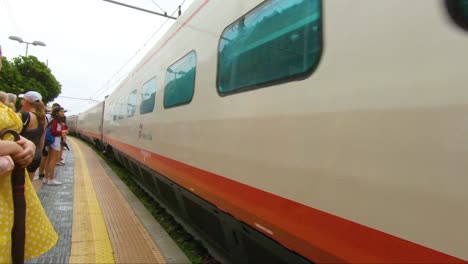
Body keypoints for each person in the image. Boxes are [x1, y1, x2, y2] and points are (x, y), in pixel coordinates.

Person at [0, 46, 58, 262]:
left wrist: (25, 145)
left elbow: (14, 136)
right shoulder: (41, 117)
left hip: (13, 181)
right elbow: (34, 138)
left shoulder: (23, 115)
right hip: (18, 170)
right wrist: (23, 147)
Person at [17, 91, 47, 181]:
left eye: (23, 100)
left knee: (17, 186)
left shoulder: (23, 116)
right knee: (28, 185)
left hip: (21, 155)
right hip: (35, 155)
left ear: (26, 101)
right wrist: (38, 154)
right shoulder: (44, 119)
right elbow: (42, 141)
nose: (21, 102)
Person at [44, 106, 67, 185]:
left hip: (52, 141)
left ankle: (46, 177)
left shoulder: (53, 120)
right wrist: (61, 133)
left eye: (63, 111)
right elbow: (53, 132)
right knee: (52, 161)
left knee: (49, 160)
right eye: (61, 111)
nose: (63, 113)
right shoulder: (55, 121)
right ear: (57, 113)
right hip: (54, 142)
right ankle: (51, 179)